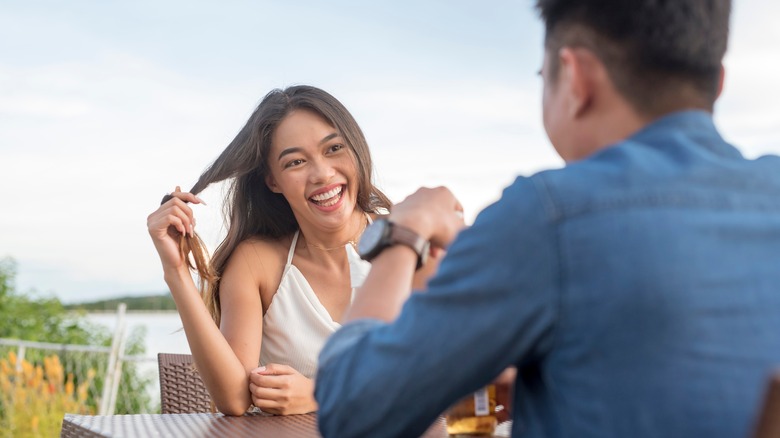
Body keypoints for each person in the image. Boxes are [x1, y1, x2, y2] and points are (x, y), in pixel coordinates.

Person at [314, 1, 780, 437]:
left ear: (575, 78)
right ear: (717, 83)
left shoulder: (548, 216)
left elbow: (350, 410)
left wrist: (402, 234)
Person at [147, 85, 435, 416]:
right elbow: (234, 400)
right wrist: (177, 272)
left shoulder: (408, 242)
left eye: (334, 148)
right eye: (296, 162)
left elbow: (445, 373)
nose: (322, 174)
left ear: (356, 150)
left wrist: (321, 394)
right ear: (273, 181)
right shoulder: (258, 262)